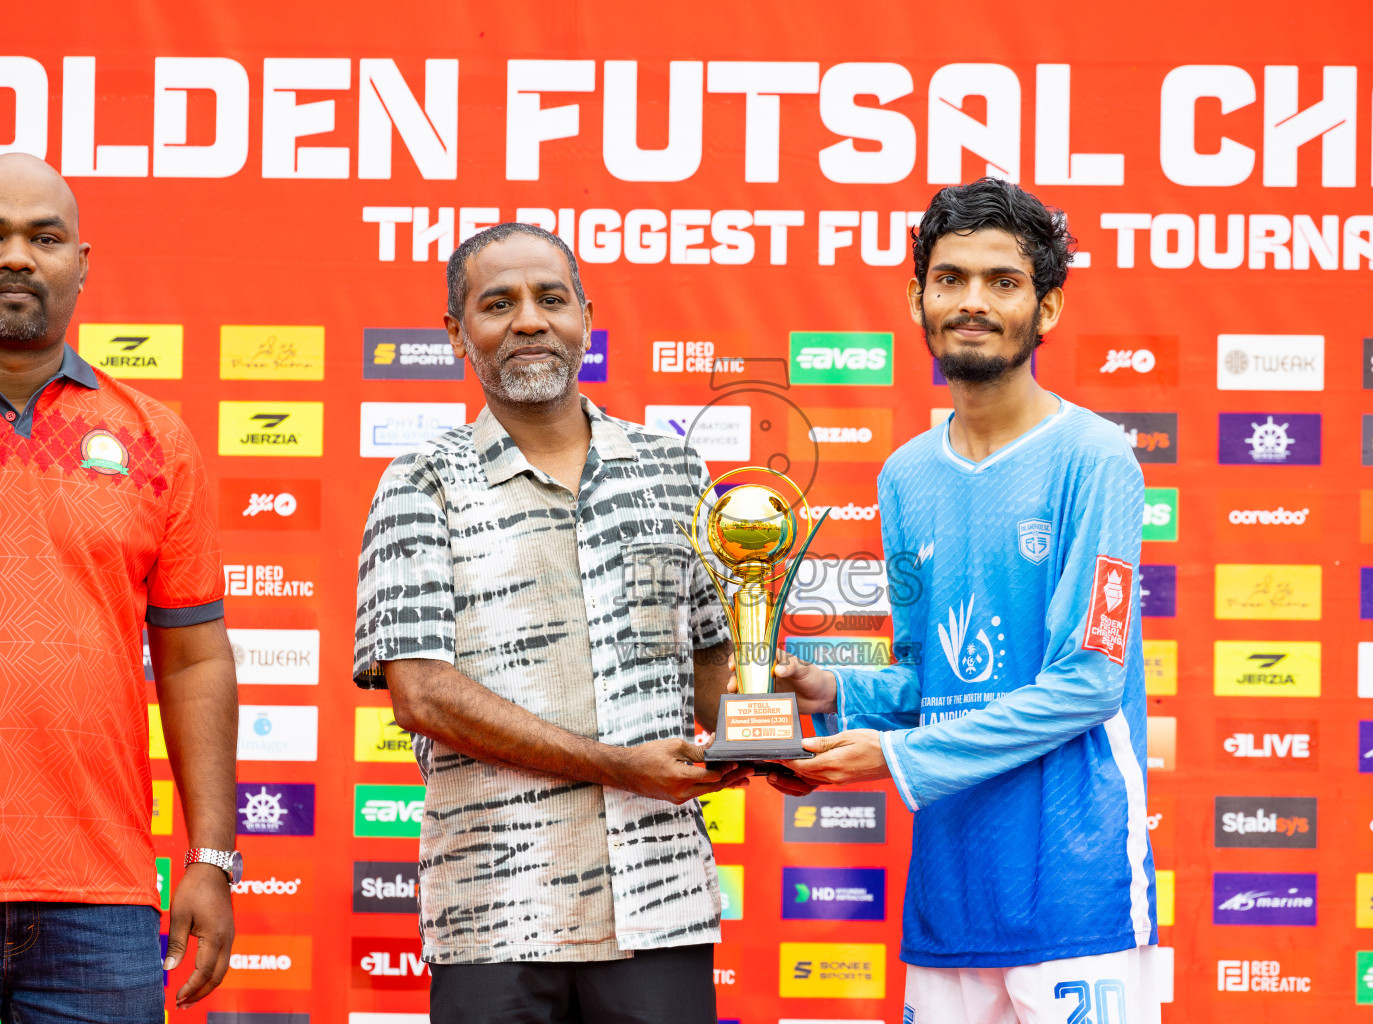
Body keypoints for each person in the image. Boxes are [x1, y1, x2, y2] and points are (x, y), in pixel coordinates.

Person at [765, 177, 1159, 1023]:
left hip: (1072, 889)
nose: (972, 302)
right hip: (948, 890)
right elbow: (926, 680)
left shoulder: (1094, 459)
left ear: (1046, 309)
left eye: (1002, 281)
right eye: (951, 280)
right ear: (918, 298)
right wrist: (834, 693)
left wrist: (897, 763)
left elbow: (1090, 679)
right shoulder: (905, 475)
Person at [354, 221, 753, 1024]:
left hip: (660, 902)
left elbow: (720, 659)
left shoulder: (675, 472)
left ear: (586, 318)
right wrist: (620, 765)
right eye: (498, 303)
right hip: (496, 913)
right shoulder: (420, 483)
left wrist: (760, 727)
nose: (529, 320)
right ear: (457, 333)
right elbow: (422, 697)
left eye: (551, 299)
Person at [0, 153, 239, 1021]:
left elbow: (193, 659)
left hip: (99, 899)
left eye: (44, 237)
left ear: (82, 263)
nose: (19, 256)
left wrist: (212, 856)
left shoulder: (155, 440)